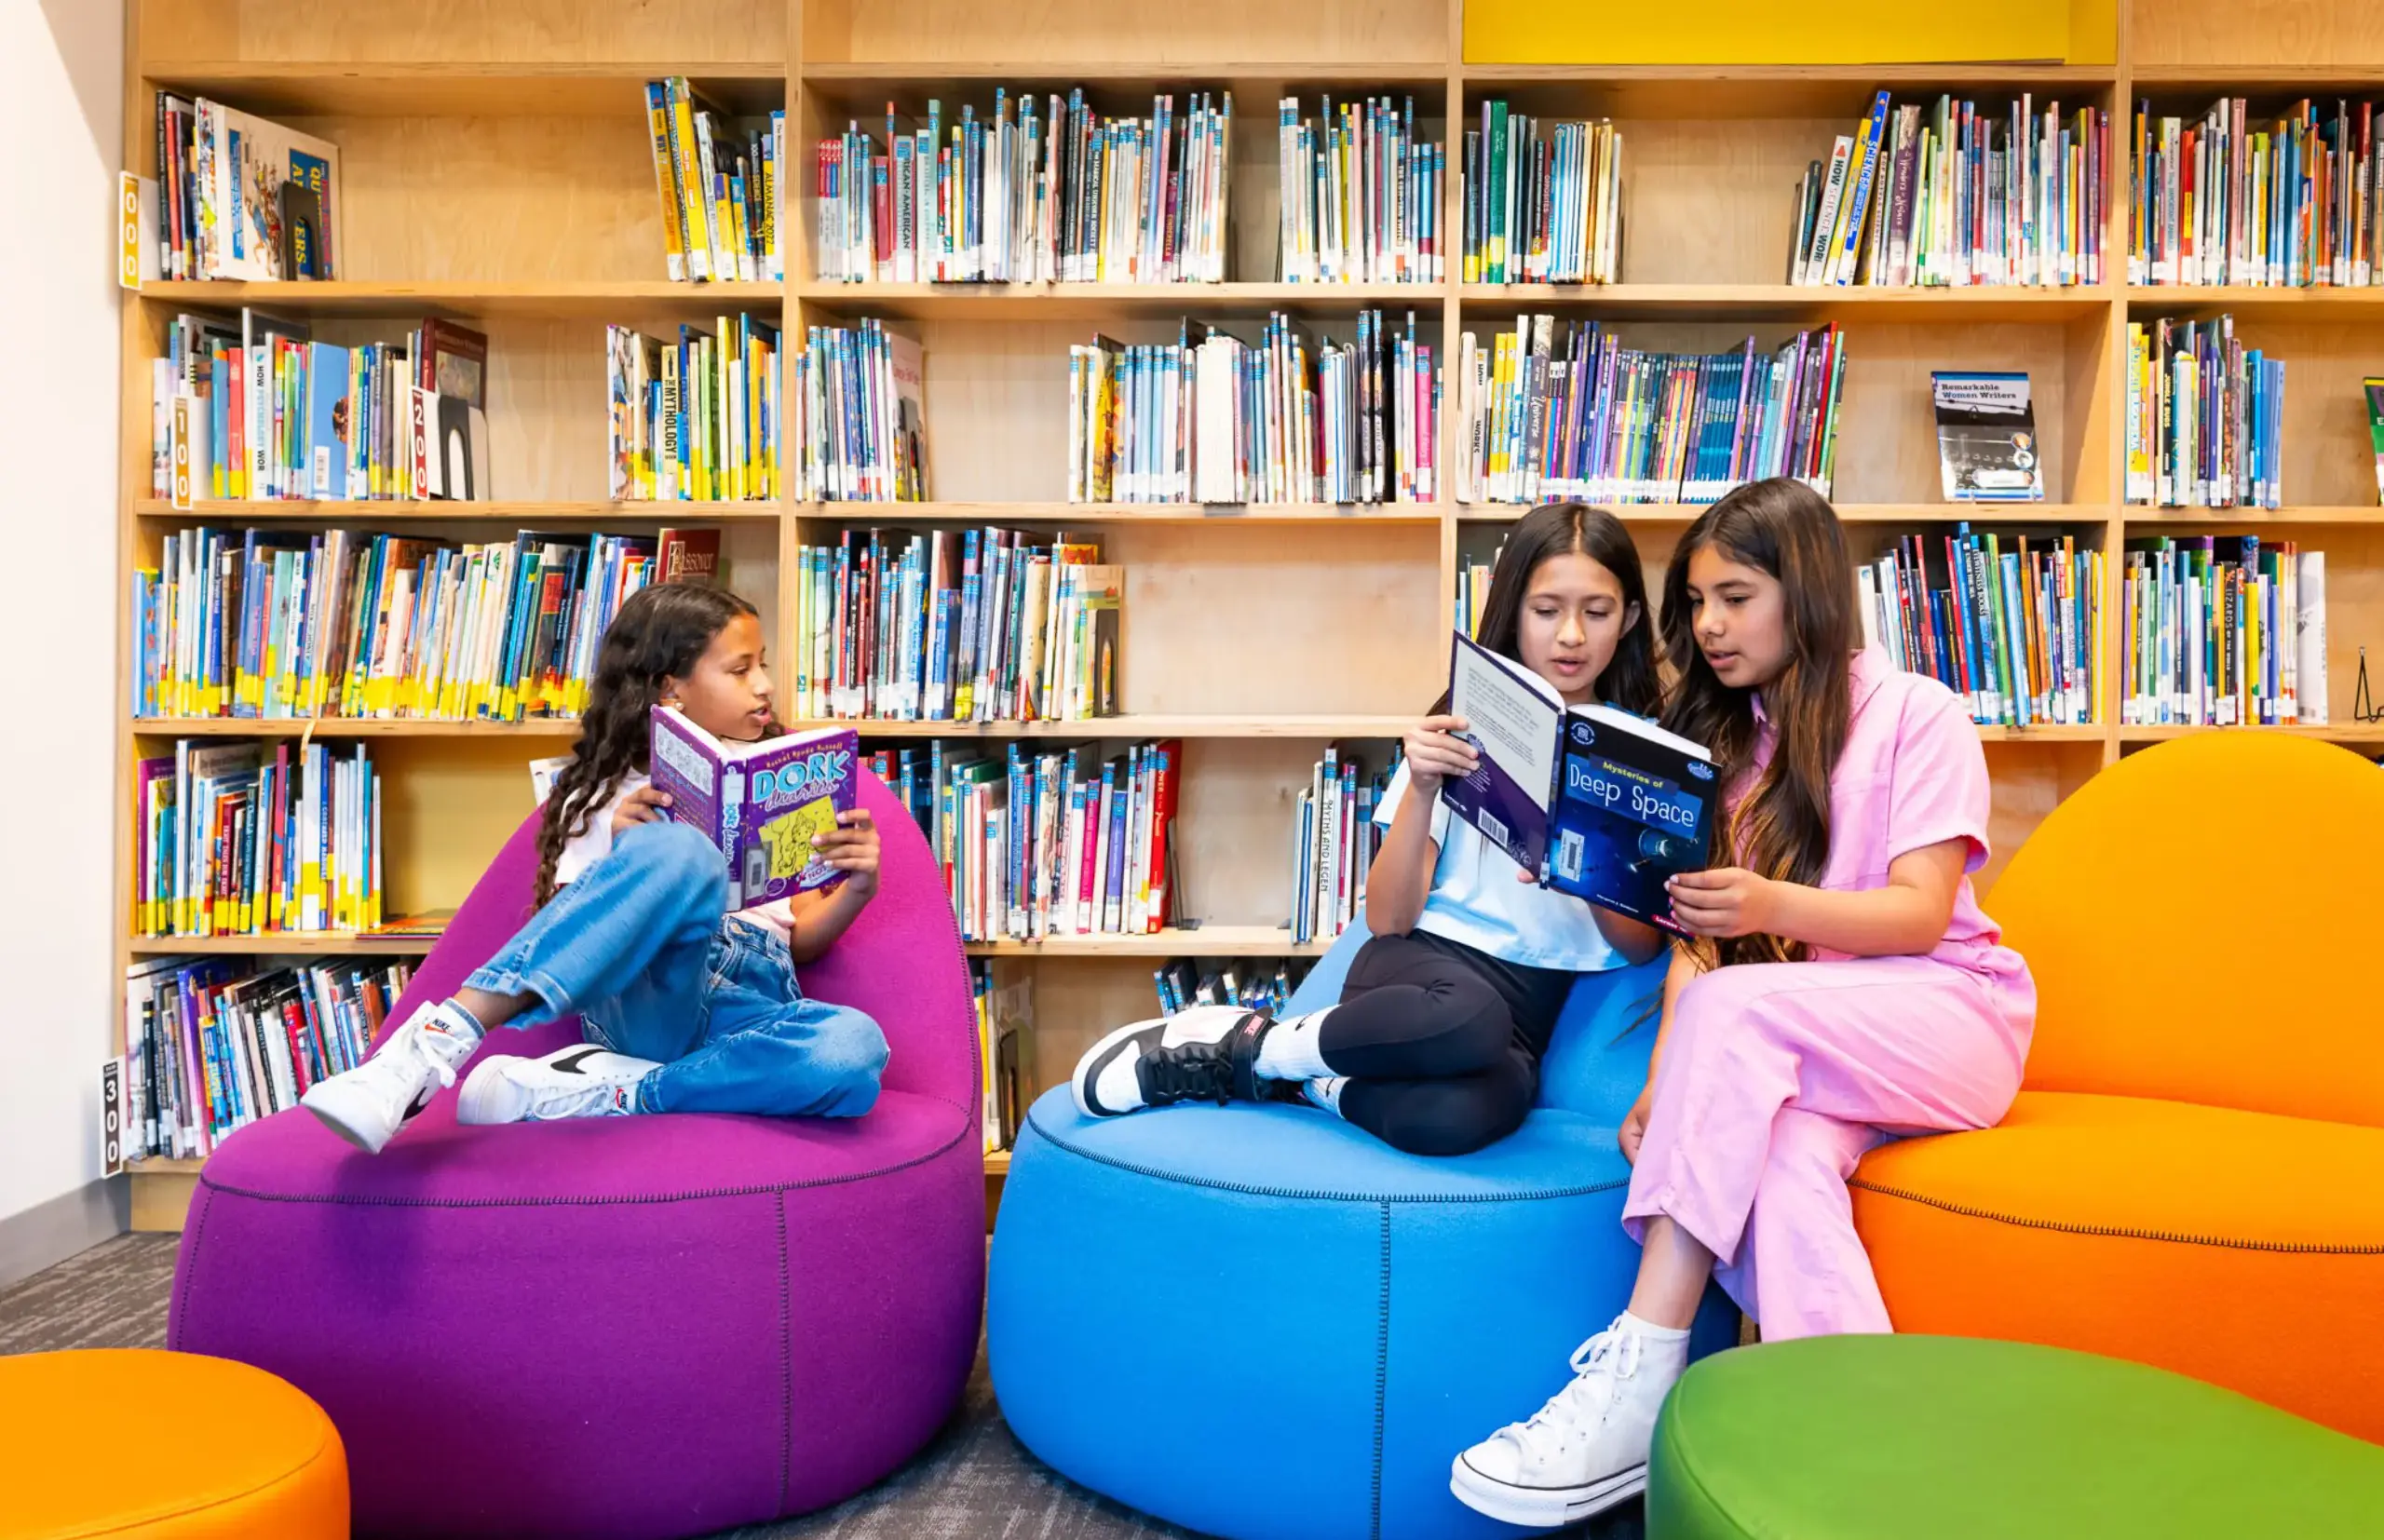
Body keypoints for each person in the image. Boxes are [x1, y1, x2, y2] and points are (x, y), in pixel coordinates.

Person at [1448, 479, 2036, 1528]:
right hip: (1812, 1042)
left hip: (1947, 1017)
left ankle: (1641, 1366)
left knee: (1745, 1018)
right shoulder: (1729, 755)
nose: (1709, 627)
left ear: (1803, 592)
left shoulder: (1916, 713)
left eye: (1734, 597)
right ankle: (1863, 1443)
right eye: (1696, 604)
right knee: (1782, 1168)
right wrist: (1672, 1089)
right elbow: (1703, 955)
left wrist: (1765, 902)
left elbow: (1916, 913)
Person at [1069, 501, 1665, 1156]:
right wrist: (1423, 788)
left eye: (1598, 612)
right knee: (1471, 1017)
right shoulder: (1461, 728)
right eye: (1547, 610)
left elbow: (1641, 949)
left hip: (1527, 1007)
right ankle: (1247, 1043)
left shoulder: (1642, 759)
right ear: (1512, 609)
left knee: (1462, 1118)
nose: (1572, 636)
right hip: (1418, 968)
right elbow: (1387, 917)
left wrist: (1576, 858)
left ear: (1631, 618)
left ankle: (1294, 1081)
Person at [301, 584, 889, 1155]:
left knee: (853, 1049)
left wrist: (858, 888)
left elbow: (801, 940)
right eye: (740, 670)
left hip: (749, 1001)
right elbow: (578, 941)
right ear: (671, 689)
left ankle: (615, 1091)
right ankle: (431, 1047)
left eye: (762, 666)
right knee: (683, 852)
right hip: (650, 995)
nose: (765, 686)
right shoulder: (602, 795)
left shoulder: (780, 780)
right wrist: (628, 854)